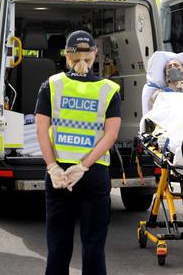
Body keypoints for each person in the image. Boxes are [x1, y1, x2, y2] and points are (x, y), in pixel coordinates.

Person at [35, 30, 121, 275]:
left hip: (59, 175)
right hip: (93, 175)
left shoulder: (51, 85)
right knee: (94, 244)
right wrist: (84, 166)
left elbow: (42, 131)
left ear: (66, 55)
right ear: (95, 54)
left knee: (58, 245)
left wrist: (52, 167)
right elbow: (111, 135)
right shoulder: (109, 89)